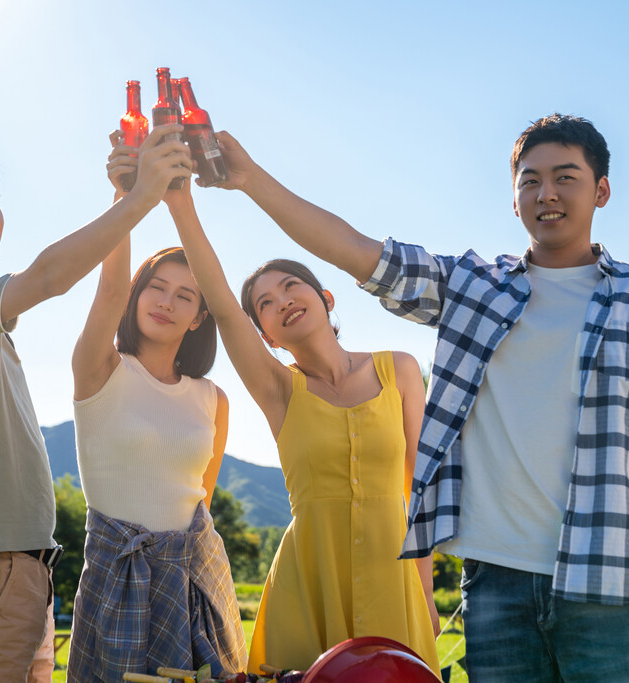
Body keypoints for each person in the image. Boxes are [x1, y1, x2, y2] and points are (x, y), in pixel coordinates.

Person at [202, 114, 629, 681]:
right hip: (497, 585)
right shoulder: (474, 289)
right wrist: (250, 178)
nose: (546, 193)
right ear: (514, 199)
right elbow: (356, 250)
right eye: (529, 181)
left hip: (612, 580)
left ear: (600, 190)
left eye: (565, 177)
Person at [0, 127, 192, 682]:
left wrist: (125, 196)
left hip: (19, 570)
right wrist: (145, 196)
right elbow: (50, 276)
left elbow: (96, 289)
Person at [149, 147, 442, 675]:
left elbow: (419, 489)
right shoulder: (279, 390)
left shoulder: (397, 369)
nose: (281, 300)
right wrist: (180, 204)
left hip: (393, 579)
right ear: (264, 335)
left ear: (326, 297)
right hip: (308, 583)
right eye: (264, 303)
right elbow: (217, 297)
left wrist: (423, 587)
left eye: (291, 286)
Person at [65, 132, 246, 680]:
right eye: (156, 288)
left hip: (196, 577)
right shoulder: (101, 368)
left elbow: (202, 501)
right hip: (116, 577)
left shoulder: (212, 399)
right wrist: (126, 196)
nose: (166, 302)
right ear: (137, 294)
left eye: (185, 296)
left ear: (198, 317)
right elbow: (107, 292)